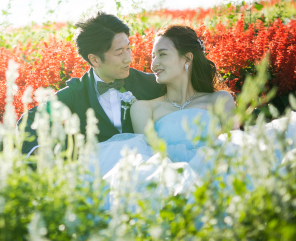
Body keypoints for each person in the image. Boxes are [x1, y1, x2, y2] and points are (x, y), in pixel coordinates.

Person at [96, 24, 236, 175]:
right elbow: (149, 163)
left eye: (162, 54)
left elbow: (235, 149)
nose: (154, 64)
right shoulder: (144, 109)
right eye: (153, 56)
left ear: (187, 58)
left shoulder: (220, 100)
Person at [19, 12, 164, 155]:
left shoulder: (151, 84)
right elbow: (27, 121)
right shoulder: (75, 94)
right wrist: (43, 154)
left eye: (128, 48)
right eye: (119, 52)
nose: (128, 58)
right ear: (94, 60)